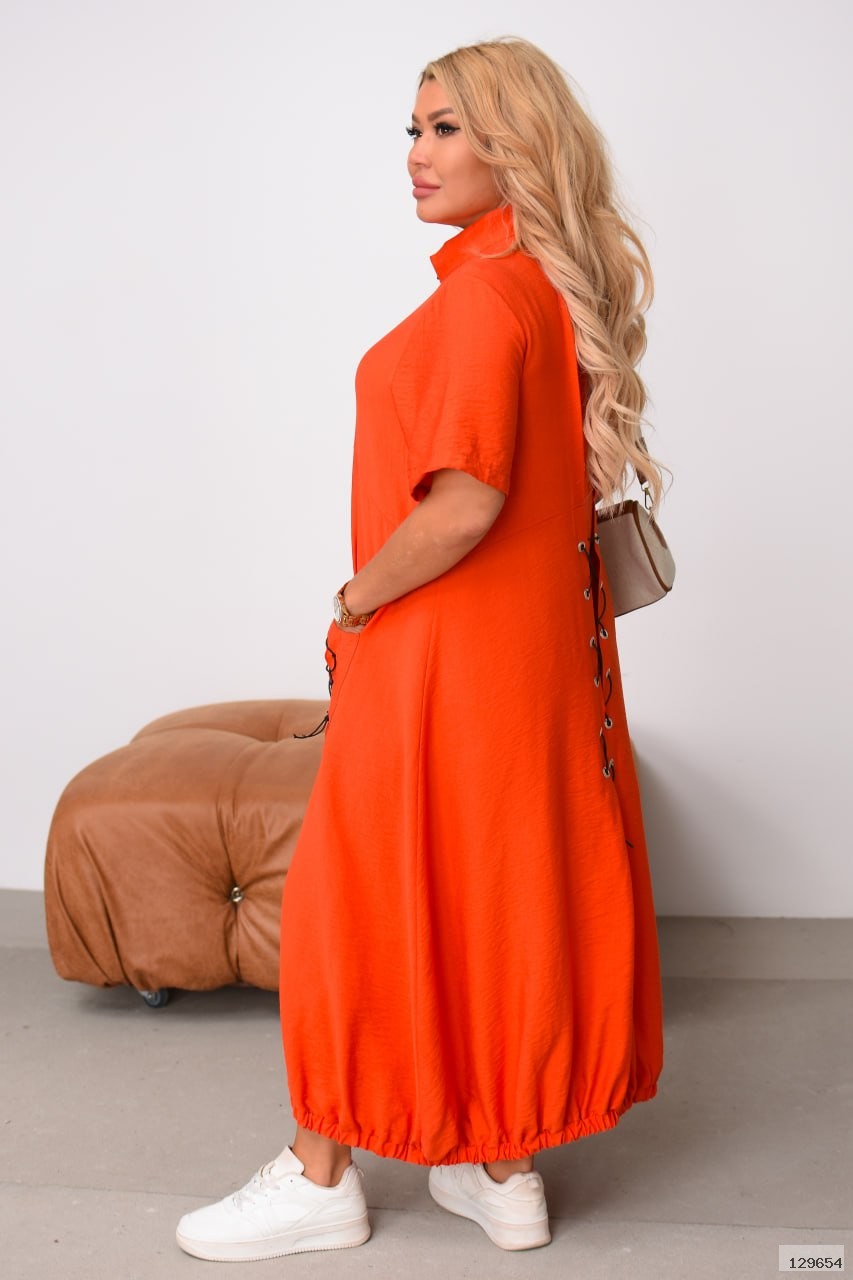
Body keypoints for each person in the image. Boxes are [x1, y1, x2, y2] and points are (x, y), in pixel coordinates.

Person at [176, 34, 667, 1261]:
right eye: (413, 128)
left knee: (352, 904)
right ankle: (500, 1168)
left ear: (513, 142)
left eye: (445, 127)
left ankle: (320, 1173)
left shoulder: (479, 300)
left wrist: (352, 600)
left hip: (439, 658)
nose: (417, 152)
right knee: (487, 897)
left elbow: (462, 504)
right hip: (530, 667)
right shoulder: (541, 289)